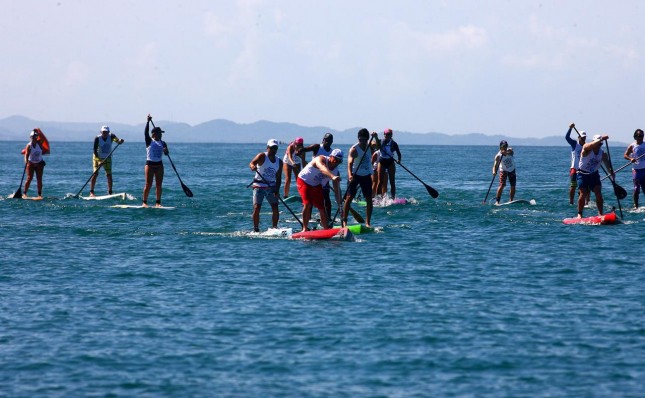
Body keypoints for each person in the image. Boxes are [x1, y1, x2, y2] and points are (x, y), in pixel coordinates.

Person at [296, 148, 343, 232]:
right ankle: (304, 228)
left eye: (339, 162)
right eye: (335, 160)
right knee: (308, 204)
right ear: (331, 157)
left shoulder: (336, 172)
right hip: (304, 180)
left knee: (321, 207)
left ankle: (326, 230)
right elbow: (322, 169)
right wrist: (332, 177)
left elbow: (337, 191)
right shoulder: (320, 159)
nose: (336, 163)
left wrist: (340, 204)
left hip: (316, 185)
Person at [342, 128, 380, 228]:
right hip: (355, 175)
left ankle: (368, 222)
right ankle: (344, 222)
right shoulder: (354, 149)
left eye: (364, 140)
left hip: (366, 175)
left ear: (367, 139)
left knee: (369, 199)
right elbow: (349, 163)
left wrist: (375, 137)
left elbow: (381, 147)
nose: (362, 142)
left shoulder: (370, 145)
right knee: (349, 198)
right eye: (360, 139)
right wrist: (350, 175)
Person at [249, 139, 283, 232]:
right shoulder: (262, 156)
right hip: (259, 185)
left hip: (271, 187)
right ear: (267, 148)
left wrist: (277, 190)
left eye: (275, 148)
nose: (273, 150)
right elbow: (252, 163)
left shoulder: (279, 161)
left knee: (275, 207)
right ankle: (256, 229)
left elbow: (279, 178)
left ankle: (274, 228)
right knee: (257, 207)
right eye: (272, 148)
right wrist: (253, 166)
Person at [576, 134, 612, 217]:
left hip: (594, 174)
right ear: (593, 142)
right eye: (597, 143)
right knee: (583, 193)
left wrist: (611, 173)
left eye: (600, 144)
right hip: (582, 174)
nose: (599, 145)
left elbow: (607, 165)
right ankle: (579, 214)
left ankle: (600, 214)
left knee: (598, 194)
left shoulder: (603, 154)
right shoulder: (586, 148)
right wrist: (601, 138)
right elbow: (590, 145)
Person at [302, 133, 335, 219]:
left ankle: (328, 218)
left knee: (327, 200)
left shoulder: (332, 153)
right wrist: (299, 150)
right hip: (312, 178)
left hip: (324, 179)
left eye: (329, 140)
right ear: (323, 140)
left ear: (332, 142)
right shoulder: (317, 147)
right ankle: (308, 218)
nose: (327, 142)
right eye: (326, 140)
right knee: (310, 201)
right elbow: (305, 149)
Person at [90, 125, 125, 196]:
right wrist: (99, 161)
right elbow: (94, 151)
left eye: (106, 132)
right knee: (95, 174)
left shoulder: (111, 136)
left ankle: (110, 192)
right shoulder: (97, 138)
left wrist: (120, 141)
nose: (105, 133)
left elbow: (117, 141)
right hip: (97, 157)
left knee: (109, 175)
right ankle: (91, 192)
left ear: (108, 132)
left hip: (107, 157)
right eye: (103, 132)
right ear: (101, 132)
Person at [143, 114, 169, 207]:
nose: (161, 134)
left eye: (161, 133)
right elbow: (145, 133)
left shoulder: (163, 143)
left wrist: (166, 151)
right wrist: (148, 122)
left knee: (159, 185)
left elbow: (166, 154)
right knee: (148, 184)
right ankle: (144, 202)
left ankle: (158, 203)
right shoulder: (149, 141)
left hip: (159, 165)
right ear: (154, 134)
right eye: (159, 133)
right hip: (149, 165)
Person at [565, 123, 588, 205]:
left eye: (585, 137)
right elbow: (567, 138)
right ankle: (571, 202)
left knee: (583, 188)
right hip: (574, 169)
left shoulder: (586, 146)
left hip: (582, 170)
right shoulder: (575, 144)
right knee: (573, 186)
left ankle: (584, 203)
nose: (583, 139)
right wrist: (570, 128)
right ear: (579, 137)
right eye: (582, 137)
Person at [623, 128, 645, 208]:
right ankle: (636, 205)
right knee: (636, 189)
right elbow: (625, 155)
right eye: (639, 136)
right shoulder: (632, 146)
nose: (641, 137)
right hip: (636, 170)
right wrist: (631, 159)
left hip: (644, 169)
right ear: (635, 137)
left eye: (642, 136)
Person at [376, 128, 401, 198]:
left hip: (390, 162)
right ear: (384, 135)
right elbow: (375, 144)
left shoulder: (394, 144)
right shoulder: (380, 142)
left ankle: (393, 198)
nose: (387, 136)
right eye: (386, 134)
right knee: (380, 181)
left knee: (392, 182)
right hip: (382, 161)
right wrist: (375, 136)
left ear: (391, 135)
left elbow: (399, 154)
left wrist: (399, 160)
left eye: (389, 134)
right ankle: (378, 198)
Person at [23, 129, 46, 198]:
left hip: (39, 163)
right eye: (32, 137)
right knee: (29, 178)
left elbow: (42, 137)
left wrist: (38, 131)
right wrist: (26, 162)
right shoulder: (29, 146)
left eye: (35, 137)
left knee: (39, 179)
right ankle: (24, 193)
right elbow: (26, 155)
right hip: (31, 163)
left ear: (37, 137)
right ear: (30, 138)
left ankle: (39, 195)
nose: (34, 138)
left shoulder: (39, 143)